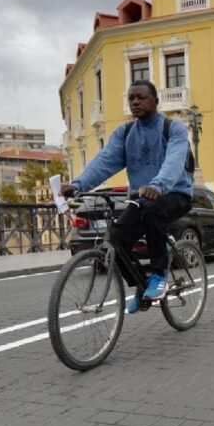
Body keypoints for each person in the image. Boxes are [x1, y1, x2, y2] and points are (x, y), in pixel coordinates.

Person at [60, 80, 193, 314]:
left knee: (154, 211)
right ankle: (141, 286)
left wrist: (158, 185)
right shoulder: (125, 132)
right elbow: (105, 161)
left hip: (175, 193)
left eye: (141, 97)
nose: (135, 102)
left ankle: (159, 275)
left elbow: (174, 161)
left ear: (155, 101)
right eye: (131, 98)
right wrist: (78, 184)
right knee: (114, 239)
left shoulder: (174, 128)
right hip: (143, 197)